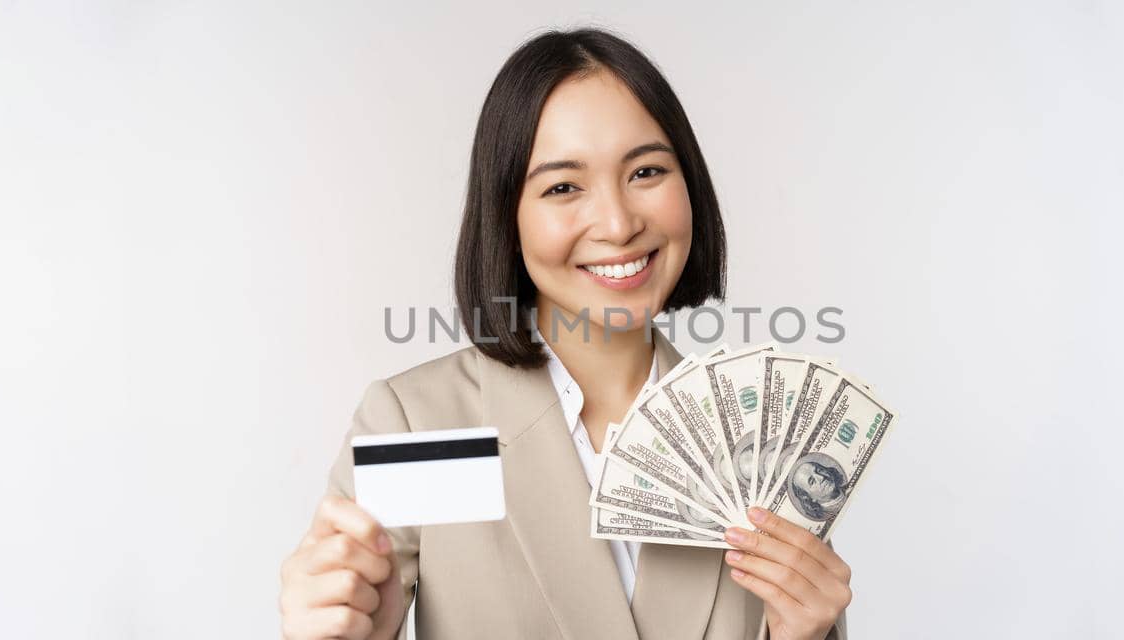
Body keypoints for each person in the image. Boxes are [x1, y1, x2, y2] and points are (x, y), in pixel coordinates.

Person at [279, 28, 852, 640]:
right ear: (507, 217)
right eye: (562, 187)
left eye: (647, 171)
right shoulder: (421, 423)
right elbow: (352, 608)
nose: (618, 222)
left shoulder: (760, 441)